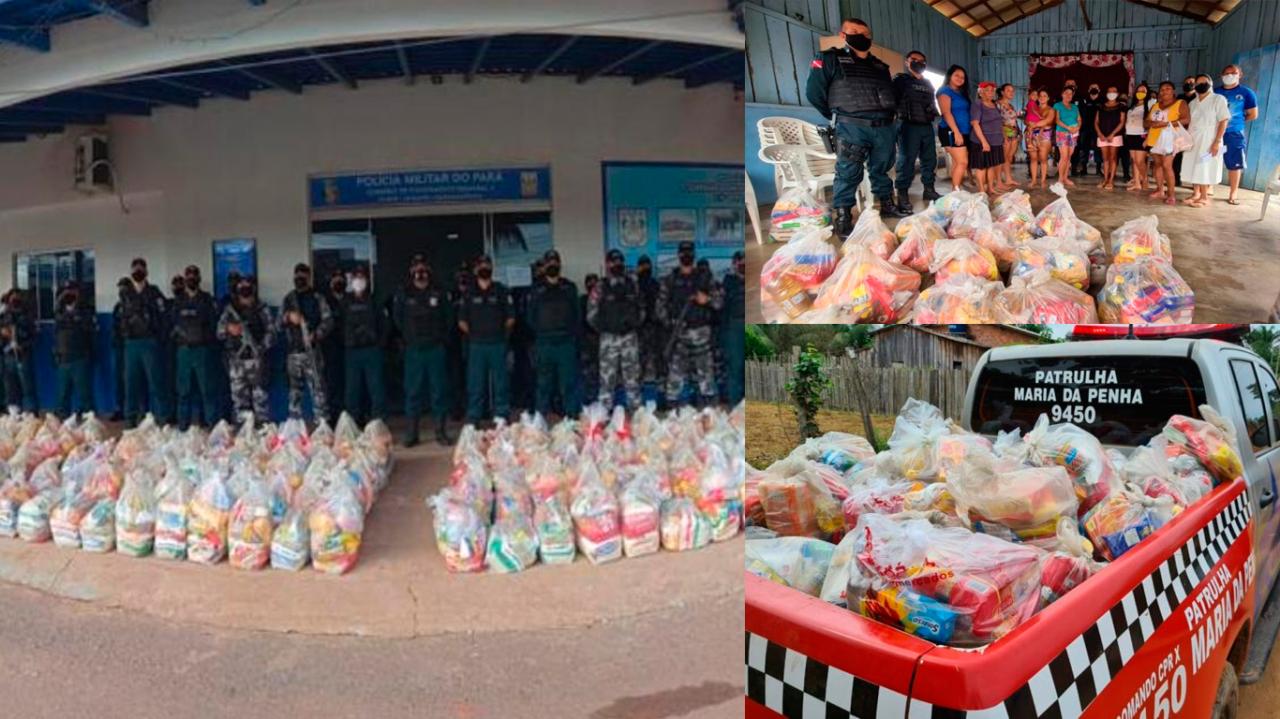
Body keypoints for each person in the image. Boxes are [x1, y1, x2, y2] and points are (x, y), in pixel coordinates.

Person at [805, 17, 909, 234]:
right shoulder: (830, 59)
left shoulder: (880, 66)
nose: (861, 36)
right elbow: (814, 93)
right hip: (852, 127)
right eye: (854, 31)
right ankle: (843, 216)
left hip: (883, 128)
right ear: (843, 35)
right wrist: (839, 116)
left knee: (881, 169)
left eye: (865, 33)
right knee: (848, 172)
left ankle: (887, 205)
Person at [392, 255, 453, 446]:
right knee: (413, 392)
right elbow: (398, 319)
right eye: (417, 268)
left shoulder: (439, 292)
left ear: (429, 270)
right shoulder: (404, 293)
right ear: (411, 271)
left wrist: (440, 338)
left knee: (439, 392)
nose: (420, 272)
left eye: (423, 268)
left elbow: (449, 318)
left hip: (435, 349)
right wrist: (410, 338)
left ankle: (440, 432)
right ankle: (412, 433)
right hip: (414, 351)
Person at [658, 241, 720, 408]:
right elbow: (660, 307)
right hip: (679, 337)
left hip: (702, 335)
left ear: (693, 255)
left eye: (689, 253)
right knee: (675, 379)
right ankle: (673, 417)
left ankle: (708, 416)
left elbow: (719, 302)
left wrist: (706, 300)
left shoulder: (705, 278)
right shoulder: (670, 280)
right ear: (678, 255)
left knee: (706, 378)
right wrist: (671, 324)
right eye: (683, 253)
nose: (686, 256)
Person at [457, 254, 514, 424]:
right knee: (475, 383)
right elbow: (461, 321)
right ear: (476, 270)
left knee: (501, 382)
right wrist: (475, 334)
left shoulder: (501, 290)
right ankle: (474, 416)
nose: (484, 268)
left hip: (497, 343)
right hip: (477, 345)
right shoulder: (468, 292)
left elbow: (511, 317)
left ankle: (501, 415)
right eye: (481, 265)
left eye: (487, 265)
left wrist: (500, 333)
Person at [527, 249, 580, 419]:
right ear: (544, 265)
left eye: (555, 262)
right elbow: (530, 317)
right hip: (545, 343)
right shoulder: (536, 289)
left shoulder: (569, 287)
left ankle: (571, 420)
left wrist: (571, 336)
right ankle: (540, 422)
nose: (553, 265)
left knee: (568, 384)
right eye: (550, 263)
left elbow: (577, 315)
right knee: (543, 385)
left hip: (565, 343)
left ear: (560, 264)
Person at [587, 249, 643, 411]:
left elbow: (642, 308)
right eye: (613, 262)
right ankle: (604, 418)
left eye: (619, 262)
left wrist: (634, 323)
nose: (616, 265)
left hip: (629, 338)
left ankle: (637, 418)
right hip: (608, 339)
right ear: (607, 264)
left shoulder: (632, 285)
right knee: (606, 381)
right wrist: (606, 328)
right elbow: (591, 314)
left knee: (632, 380)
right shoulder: (600, 286)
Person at [119, 258, 170, 426]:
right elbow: (122, 319)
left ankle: (163, 419)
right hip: (132, 344)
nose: (138, 271)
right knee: (131, 383)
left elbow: (164, 317)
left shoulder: (154, 292)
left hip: (150, 343)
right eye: (135, 268)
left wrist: (158, 339)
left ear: (146, 272)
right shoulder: (126, 294)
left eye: (141, 268)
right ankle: (130, 420)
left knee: (157, 382)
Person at [279, 263, 333, 422]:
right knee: (294, 393)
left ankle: (322, 427)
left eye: (303, 276)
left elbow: (328, 321)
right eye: (297, 276)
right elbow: (277, 324)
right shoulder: (288, 299)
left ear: (309, 278)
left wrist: (316, 334)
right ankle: (295, 429)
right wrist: (288, 317)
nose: (299, 279)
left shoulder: (318, 298)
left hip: (312, 351)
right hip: (293, 353)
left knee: (319, 391)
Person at [216, 275, 273, 425]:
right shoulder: (230, 310)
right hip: (237, 361)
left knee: (261, 402)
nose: (244, 289)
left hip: (257, 361)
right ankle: (244, 436)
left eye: (248, 285)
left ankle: (262, 436)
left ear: (253, 288)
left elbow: (272, 332)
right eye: (242, 286)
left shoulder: (262, 308)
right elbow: (219, 332)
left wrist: (260, 348)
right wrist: (229, 328)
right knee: (240, 403)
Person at [170, 265, 220, 429]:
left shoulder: (207, 299)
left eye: (194, 275)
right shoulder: (178, 301)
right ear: (185, 279)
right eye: (188, 275)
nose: (191, 278)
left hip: (202, 350)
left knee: (207, 390)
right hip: (184, 351)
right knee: (183, 391)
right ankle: (183, 427)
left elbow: (214, 325)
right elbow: (172, 325)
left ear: (199, 278)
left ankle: (211, 426)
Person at [891, 49, 941, 211]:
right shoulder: (901, 80)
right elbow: (892, 102)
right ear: (907, 62)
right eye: (914, 59)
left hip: (926, 126)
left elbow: (932, 105)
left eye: (922, 61)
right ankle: (903, 194)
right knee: (906, 161)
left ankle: (929, 189)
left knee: (929, 159)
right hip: (907, 125)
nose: (918, 63)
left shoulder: (927, 84)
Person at [336, 265, 386, 425]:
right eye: (356, 277)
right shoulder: (345, 301)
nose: (359, 280)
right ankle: (353, 426)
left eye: (362, 277)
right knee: (352, 391)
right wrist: (345, 342)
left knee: (376, 389)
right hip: (352, 351)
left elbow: (385, 324)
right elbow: (338, 324)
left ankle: (378, 424)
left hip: (372, 350)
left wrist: (380, 343)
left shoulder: (375, 300)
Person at [1184, 74, 1231, 209]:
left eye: (1204, 82)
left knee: (1203, 166)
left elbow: (1224, 120)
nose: (1200, 84)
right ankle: (1195, 193)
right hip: (1194, 138)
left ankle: (1204, 197)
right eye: (1197, 83)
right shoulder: (1193, 103)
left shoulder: (1218, 99)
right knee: (1193, 165)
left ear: (1210, 83)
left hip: (1210, 138)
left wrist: (1217, 141)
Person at [52, 281, 96, 419]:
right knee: (62, 394)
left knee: (85, 394)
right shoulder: (59, 311)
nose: (69, 294)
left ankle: (88, 423)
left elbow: (89, 331)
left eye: (72, 291)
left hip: (80, 357)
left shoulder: (85, 310)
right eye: (66, 291)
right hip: (63, 358)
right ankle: (63, 420)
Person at [1216, 65, 1258, 205]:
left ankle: (1233, 193)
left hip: (1233, 134)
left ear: (1240, 75)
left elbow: (1253, 114)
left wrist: (1234, 123)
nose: (1229, 75)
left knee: (1234, 163)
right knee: (1211, 160)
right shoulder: (1215, 92)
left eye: (1233, 73)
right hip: (1215, 134)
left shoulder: (1246, 93)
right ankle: (1207, 187)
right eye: (1226, 73)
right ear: (1221, 75)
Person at [1145, 81, 1190, 206]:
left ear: (1173, 91)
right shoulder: (1155, 106)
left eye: (1168, 88)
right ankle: (1160, 190)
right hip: (1154, 139)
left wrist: (1165, 124)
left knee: (1166, 165)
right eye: (1162, 89)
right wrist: (1152, 124)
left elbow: (1186, 119)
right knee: (1157, 165)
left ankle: (1171, 194)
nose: (1164, 91)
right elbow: (1146, 122)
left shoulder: (1180, 103)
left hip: (1170, 139)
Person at [967, 81, 1007, 194]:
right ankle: (981, 190)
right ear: (980, 93)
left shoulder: (995, 105)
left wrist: (1002, 137)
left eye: (992, 90)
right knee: (981, 167)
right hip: (981, 141)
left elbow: (999, 123)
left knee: (991, 166)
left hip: (995, 141)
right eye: (987, 90)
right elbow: (975, 124)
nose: (990, 92)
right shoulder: (977, 104)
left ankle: (991, 188)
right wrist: (984, 142)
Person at [936, 65, 971, 192]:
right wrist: (956, 132)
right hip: (951, 131)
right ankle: (956, 192)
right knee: (962, 162)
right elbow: (946, 113)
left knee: (958, 163)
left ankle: (956, 188)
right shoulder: (944, 91)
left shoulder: (961, 93)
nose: (960, 78)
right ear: (949, 76)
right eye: (956, 75)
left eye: (962, 77)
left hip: (964, 131)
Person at [635, 255, 664, 399]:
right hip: (639, 331)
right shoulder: (634, 286)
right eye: (643, 265)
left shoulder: (656, 284)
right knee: (638, 366)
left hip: (655, 329)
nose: (646, 268)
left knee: (659, 364)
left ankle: (660, 396)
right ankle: (638, 398)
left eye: (647, 265)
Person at [321, 268, 347, 424]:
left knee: (349, 386)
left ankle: (350, 418)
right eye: (335, 279)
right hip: (329, 349)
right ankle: (333, 420)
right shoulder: (324, 301)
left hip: (348, 348)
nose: (338, 282)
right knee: (331, 385)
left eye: (341, 279)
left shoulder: (350, 299)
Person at [721, 251, 745, 406]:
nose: (742, 265)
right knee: (735, 367)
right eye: (739, 263)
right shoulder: (728, 281)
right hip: (734, 327)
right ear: (734, 264)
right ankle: (734, 405)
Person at [1094, 86, 1125, 191]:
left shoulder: (1121, 106)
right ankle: (1105, 179)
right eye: (1109, 91)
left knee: (1113, 158)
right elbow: (1096, 122)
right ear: (1106, 93)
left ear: (1117, 93)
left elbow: (1122, 122)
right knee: (1105, 159)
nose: (1112, 93)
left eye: (1114, 91)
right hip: (1102, 135)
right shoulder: (1101, 106)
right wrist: (1099, 133)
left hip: (1115, 136)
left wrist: (1113, 134)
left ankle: (1111, 180)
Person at [1024, 88, 1056, 189]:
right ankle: (1033, 180)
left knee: (1043, 159)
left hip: (1045, 136)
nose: (1042, 98)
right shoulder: (1033, 107)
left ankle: (1043, 181)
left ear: (1048, 98)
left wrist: (1034, 124)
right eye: (1040, 95)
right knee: (1033, 159)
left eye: (1044, 96)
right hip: (1032, 135)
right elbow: (1026, 119)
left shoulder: (1051, 110)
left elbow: (1047, 121)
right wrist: (1029, 123)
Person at [1124, 82, 1152, 192]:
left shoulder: (1150, 105)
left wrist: (1148, 138)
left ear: (1147, 93)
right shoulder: (1132, 106)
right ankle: (1136, 183)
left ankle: (1145, 179)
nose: (1140, 93)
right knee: (1134, 160)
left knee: (1140, 161)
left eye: (1143, 91)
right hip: (1131, 135)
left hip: (1141, 135)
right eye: (1139, 91)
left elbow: (1151, 123)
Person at [1052, 85, 1081, 188]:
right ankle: (1060, 179)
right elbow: (1057, 120)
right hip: (1062, 133)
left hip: (1074, 134)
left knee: (1069, 156)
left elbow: (1079, 119)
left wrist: (1077, 127)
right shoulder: (1057, 105)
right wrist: (1068, 128)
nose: (1069, 95)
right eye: (1066, 93)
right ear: (1062, 94)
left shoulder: (1075, 107)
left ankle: (1065, 177)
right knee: (1064, 156)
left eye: (1071, 94)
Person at [1073, 83, 1103, 176]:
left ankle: (1098, 169)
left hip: (1098, 129)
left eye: (1096, 88)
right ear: (1088, 90)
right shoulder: (1084, 100)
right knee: (1084, 148)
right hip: (1085, 129)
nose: (1094, 89)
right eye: (1091, 88)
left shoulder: (1102, 101)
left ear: (1099, 90)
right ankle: (1084, 168)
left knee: (1098, 149)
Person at [995, 83, 1021, 189]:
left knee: (1009, 158)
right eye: (1009, 90)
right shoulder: (997, 104)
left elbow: (1013, 121)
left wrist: (1019, 133)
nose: (1011, 93)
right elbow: (997, 121)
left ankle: (1008, 179)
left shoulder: (1011, 105)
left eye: (1012, 91)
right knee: (1001, 158)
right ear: (1002, 92)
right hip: (1004, 134)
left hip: (1014, 134)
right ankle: (998, 181)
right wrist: (1004, 136)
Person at [1172, 75, 1196, 187]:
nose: (1189, 84)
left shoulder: (1198, 97)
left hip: (1194, 130)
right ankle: (1176, 178)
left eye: (1191, 82)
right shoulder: (1180, 98)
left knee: (1193, 155)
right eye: (1186, 82)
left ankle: (1195, 183)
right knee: (1178, 155)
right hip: (1180, 130)